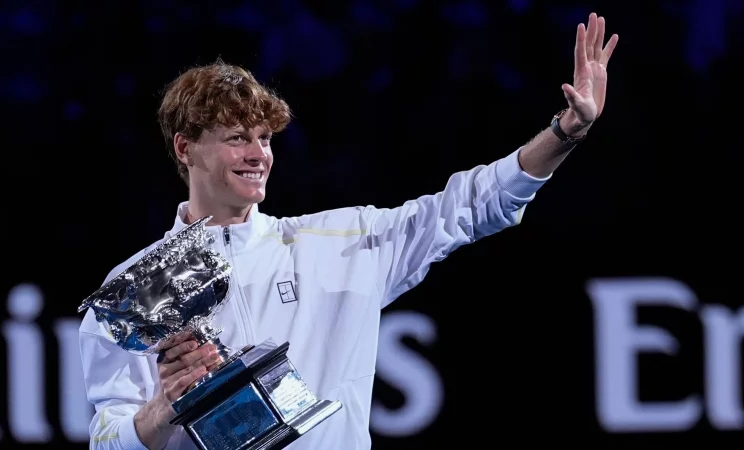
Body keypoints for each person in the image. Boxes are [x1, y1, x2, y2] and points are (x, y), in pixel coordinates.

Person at [79, 12, 618, 450]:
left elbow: (470, 206)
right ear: (184, 147)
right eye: (237, 138)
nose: (258, 155)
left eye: (266, 139)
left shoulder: (341, 242)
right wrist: (162, 411)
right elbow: (107, 440)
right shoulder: (137, 285)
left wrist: (565, 133)